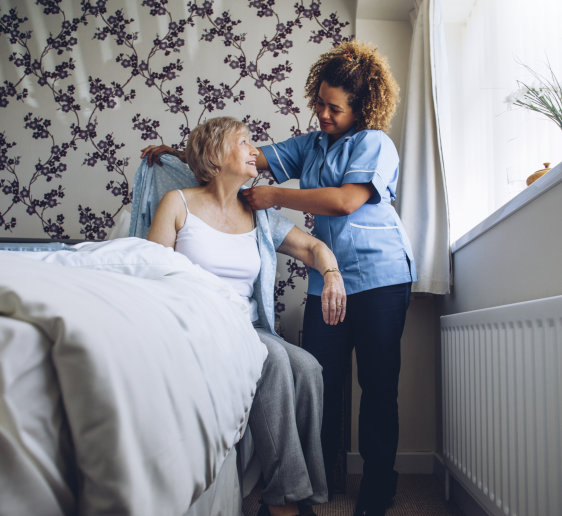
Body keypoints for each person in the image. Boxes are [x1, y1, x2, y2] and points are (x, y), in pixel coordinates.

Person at [142, 39, 417, 516]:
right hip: (324, 281)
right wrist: (178, 154)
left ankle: (377, 487)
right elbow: (234, 159)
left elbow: (346, 201)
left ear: (360, 108)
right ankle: (317, 484)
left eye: (334, 108)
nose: (322, 114)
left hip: (379, 275)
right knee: (321, 377)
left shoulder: (375, 143)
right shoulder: (308, 146)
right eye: (320, 103)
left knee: (377, 385)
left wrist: (276, 198)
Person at [143, 116, 347, 516]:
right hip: (200, 325)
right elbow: (151, 271)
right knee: (270, 360)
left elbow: (312, 248)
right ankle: (284, 500)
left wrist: (333, 273)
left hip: (247, 327)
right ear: (216, 156)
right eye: (244, 142)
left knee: (308, 368)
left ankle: (305, 491)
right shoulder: (178, 203)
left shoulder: (258, 214)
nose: (255, 151)